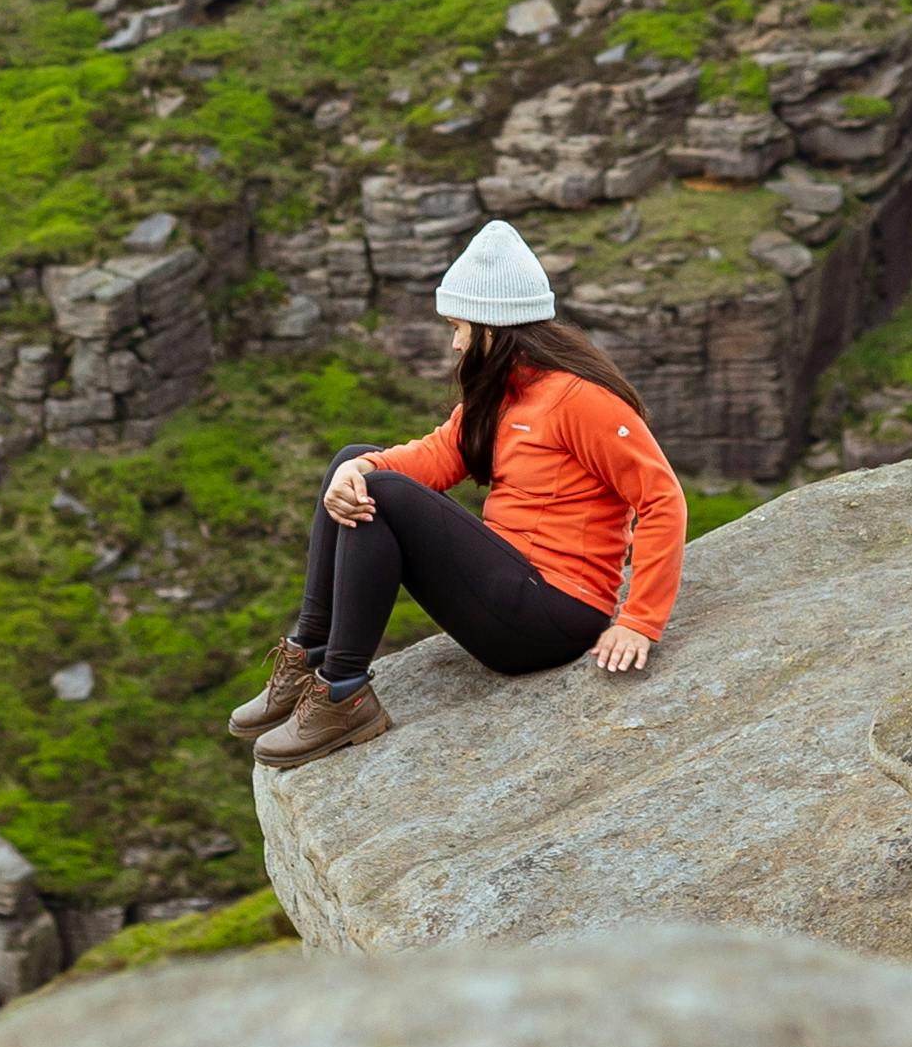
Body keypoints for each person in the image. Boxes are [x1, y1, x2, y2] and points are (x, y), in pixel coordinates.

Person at [236, 219, 684, 770]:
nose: (454, 341)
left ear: (495, 328)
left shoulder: (580, 400)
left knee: (380, 491)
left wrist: (639, 620)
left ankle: (342, 693)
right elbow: (437, 456)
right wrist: (357, 469)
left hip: (554, 614)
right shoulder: (503, 396)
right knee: (352, 461)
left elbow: (662, 498)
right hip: (508, 591)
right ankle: (311, 654)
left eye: (459, 325)